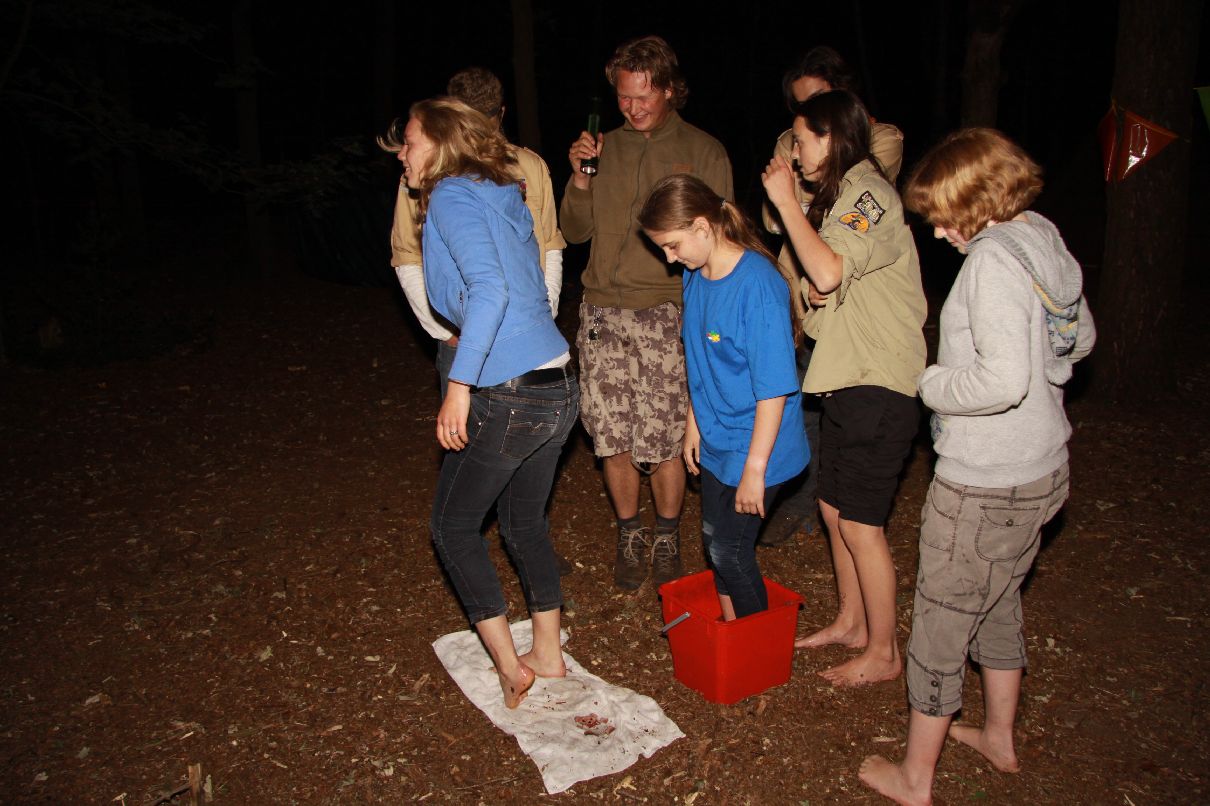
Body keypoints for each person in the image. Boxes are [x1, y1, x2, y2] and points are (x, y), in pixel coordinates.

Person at [860, 128, 1095, 805]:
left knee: (940, 623)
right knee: (996, 600)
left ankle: (915, 778)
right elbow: (1080, 339)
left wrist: (933, 383)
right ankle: (998, 737)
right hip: (1041, 468)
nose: (938, 232)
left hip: (987, 481)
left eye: (943, 216)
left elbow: (1002, 381)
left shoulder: (991, 262)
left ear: (977, 200)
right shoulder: (1040, 236)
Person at [387, 97, 579, 709]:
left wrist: (458, 385)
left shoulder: (449, 195)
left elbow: (490, 289)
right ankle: (547, 653)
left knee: (452, 526)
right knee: (523, 523)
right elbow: (526, 284)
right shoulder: (500, 190)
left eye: (410, 142)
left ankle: (510, 666)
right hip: (558, 383)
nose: (402, 155)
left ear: (442, 142)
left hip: (511, 392)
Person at [761, 89, 926, 687]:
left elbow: (827, 271)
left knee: (860, 523)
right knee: (834, 510)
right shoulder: (839, 201)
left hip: (879, 382)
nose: (795, 153)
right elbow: (827, 279)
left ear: (831, 138)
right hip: (846, 378)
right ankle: (854, 623)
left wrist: (786, 202)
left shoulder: (868, 192)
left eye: (802, 140)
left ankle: (885, 652)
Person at [562, 35, 733, 590]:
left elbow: (722, 242)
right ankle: (629, 532)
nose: (632, 108)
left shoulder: (703, 150)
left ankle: (667, 534)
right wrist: (580, 177)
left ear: (669, 89)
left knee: (664, 437)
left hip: (665, 312)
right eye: (623, 97)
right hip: (601, 313)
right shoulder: (602, 148)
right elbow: (573, 231)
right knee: (612, 437)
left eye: (643, 96)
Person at [638, 174, 809, 619]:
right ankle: (732, 633)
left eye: (672, 245)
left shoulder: (757, 286)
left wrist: (756, 469)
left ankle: (759, 646)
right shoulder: (697, 275)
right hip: (718, 437)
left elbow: (774, 389)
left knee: (729, 552)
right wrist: (694, 422)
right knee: (715, 544)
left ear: (702, 226)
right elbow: (700, 358)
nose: (669, 258)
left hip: (759, 444)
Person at [758, 46, 905, 548]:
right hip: (806, 297)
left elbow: (838, 209)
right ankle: (805, 495)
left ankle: (807, 502)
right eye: (800, 106)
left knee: (833, 410)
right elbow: (773, 220)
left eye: (819, 99)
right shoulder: (792, 142)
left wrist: (792, 195)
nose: (807, 114)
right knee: (797, 398)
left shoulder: (878, 145)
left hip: (856, 319)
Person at [388, 67, 565, 399]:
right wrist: (446, 331)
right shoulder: (421, 175)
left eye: (487, 120)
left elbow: (549, 245)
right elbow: (408, 257)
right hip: (462, 334)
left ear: (501, 114)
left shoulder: (527, 165)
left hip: (526, 340)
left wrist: (543, 314)